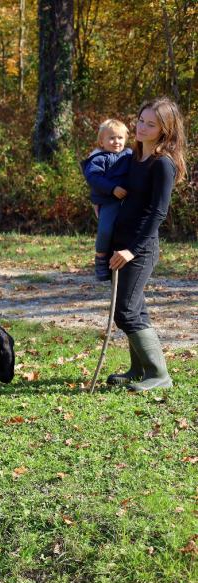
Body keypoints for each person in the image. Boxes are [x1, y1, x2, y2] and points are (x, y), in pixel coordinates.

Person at [106, 97, 187, 391]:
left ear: (165, 129)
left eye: (151, 124)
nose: (142, 127)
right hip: (120, 243)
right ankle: (138, 369)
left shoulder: (162, 164)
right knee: (135, 307)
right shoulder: (133, 157)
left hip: (139, 249)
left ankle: (159, 374)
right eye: (141, 120)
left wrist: (132, 250)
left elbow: (158, 212)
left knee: (126, 311)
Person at [80, 120, 132, 281]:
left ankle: (125, 259)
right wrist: (112, 188)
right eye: (111, 138)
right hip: (108, 200)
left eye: (120, 138)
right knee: (106, 229)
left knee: (126, 231)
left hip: (128, 200)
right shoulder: (98, 158)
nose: (116, 141)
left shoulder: (130, 154)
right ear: (101, 142)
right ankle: (101, 257)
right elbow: (94, 178)